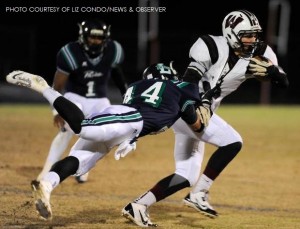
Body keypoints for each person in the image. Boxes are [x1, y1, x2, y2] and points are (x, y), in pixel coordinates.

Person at [121, 10, 289, 227]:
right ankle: (199, 194)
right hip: (189, 107)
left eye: (255, 35)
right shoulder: (210, 45)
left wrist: (273, 73)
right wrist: (198, 109)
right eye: (247, 35)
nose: (253, 40)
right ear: (231, 33)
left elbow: (283, 82)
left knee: (186, 175)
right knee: (233, 142)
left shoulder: (262, 51)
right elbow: (190, 80)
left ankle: (138, 205)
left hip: (200, 112)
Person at [5, 62, 213, 225]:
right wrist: (205, 102)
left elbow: (151, 113)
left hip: (126, 125)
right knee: (83, 127)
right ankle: (44, 88)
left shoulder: (137, 87)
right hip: (128, 120)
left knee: (79, 161)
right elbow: (195, 122)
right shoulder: (177, 87)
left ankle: (46, 185)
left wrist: (131, 139)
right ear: (169, 78)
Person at [36, 19, 128, 183]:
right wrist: (57, 111)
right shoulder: (71, 52)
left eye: (99, 38)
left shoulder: (113, 50)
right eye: (92, 37)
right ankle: (47, 170)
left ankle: (81, 167)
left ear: (105, 38)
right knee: (68, 129)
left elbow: (116, 73)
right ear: (83, 36)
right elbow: (56, 86)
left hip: (99, 99)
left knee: (101, 132)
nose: (95, 41)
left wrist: (126, 94)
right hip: (74, 97)